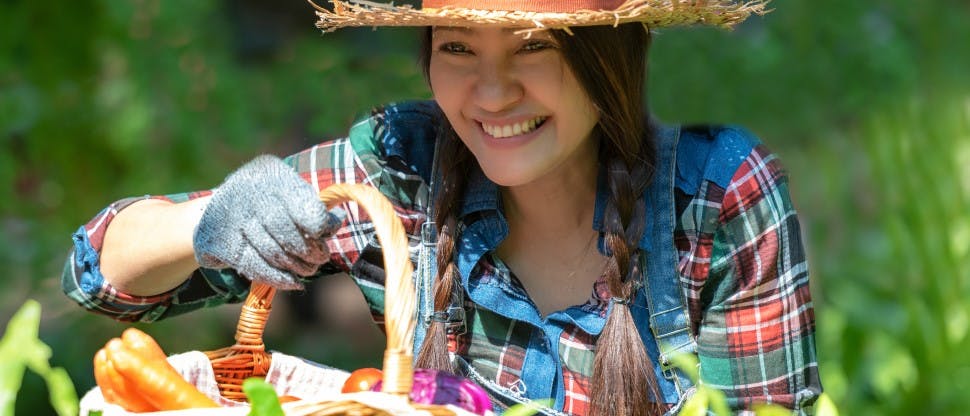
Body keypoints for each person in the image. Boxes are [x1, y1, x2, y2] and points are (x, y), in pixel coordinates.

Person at [62, 0, 822, 414]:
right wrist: (209, 223)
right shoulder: (400, 169)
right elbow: (97, 269)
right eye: (457, 47)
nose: (491, 95)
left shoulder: (717, 198)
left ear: (612, 54)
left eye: (532, 47)